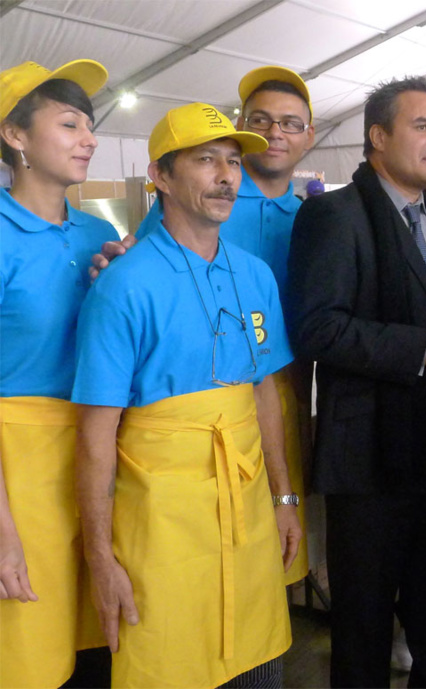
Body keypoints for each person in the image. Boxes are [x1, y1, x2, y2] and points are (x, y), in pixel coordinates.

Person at [73, 102, 300, 688]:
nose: (226, 177)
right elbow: (95, 437)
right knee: (167, 661)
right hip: (161, 524)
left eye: (233, 162)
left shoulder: (255, 274)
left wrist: (283, 498)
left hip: (247, 506)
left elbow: (265, 393)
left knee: (257, 659)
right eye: (206, 160)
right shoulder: (123, 285)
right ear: (161, 177)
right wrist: (100, 556)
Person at [287, 76, 426, 688]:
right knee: (365, 624)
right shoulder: (335, 215)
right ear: (378, 137)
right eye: (422, 127)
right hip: (371, 460)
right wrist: (422, 348)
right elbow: (317, 328)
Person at [101, 66, 316, 586]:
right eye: (261, 120)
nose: (276, 133)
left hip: (278, 385)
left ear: (310, 136)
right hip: (186, 402)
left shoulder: (313, 215)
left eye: (291, 123)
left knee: (276, 528)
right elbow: (141, 261)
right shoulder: (201, 203)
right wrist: (113, 265)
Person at [0, 58, 117, 689]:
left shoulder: (98, 234)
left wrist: (115, 288)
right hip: (17, 470)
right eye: (70, 124)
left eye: (90, 126)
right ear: (15, 135)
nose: (89, 139)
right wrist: (2, 528)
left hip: (95, 451)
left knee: (98, 641)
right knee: (30, 651)